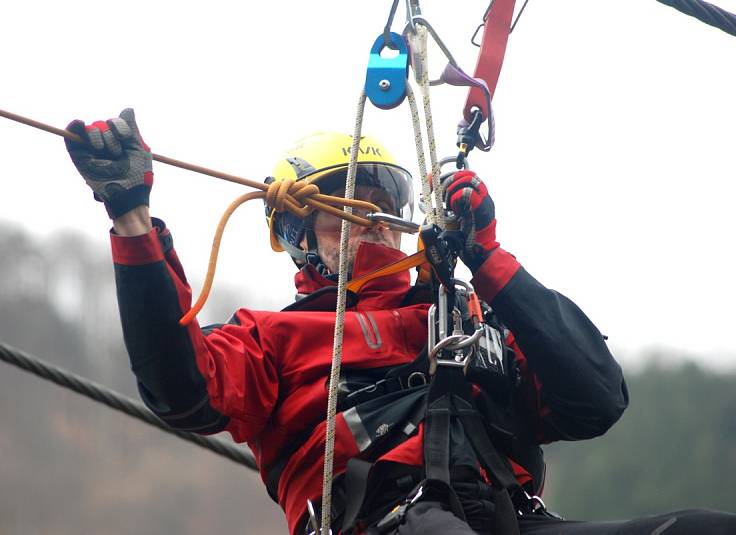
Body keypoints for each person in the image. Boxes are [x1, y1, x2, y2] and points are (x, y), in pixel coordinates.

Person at [65, 110, 736, 535]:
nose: (374, 219)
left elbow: (596, 398)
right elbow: (182, 389)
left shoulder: (468, 317)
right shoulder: (274, 340)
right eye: (347, 207)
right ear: (304, 235)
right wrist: (130, 218)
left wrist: (488, 258)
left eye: (382, 202)